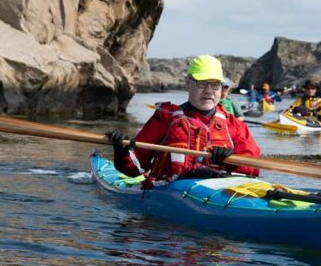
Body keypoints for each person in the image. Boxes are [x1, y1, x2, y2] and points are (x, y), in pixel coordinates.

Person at [106, 55, 261, 188]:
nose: (208, 91)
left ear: (221, 88)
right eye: (201, 83)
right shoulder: (165, 118)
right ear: (187, 83)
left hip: (218, 192)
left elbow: (253, 170)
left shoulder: (235, 125)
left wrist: (231, 160)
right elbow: (134, 169)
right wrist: (122, 151)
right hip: (169, 191)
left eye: (215, 85)